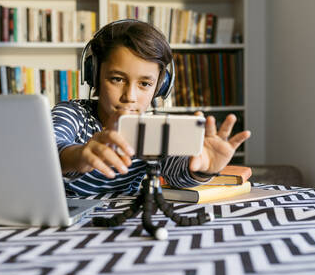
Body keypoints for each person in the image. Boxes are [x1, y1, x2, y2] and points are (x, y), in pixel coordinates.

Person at [51, 20, 251, 196]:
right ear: (94, 75)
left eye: (145, 84)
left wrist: (203, 167)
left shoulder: (154, 128)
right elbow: (49, 148)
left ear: (160, 87)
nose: (129, 96)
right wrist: (79, 155)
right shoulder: (72, 113)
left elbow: (177, 173)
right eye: (117, 79)